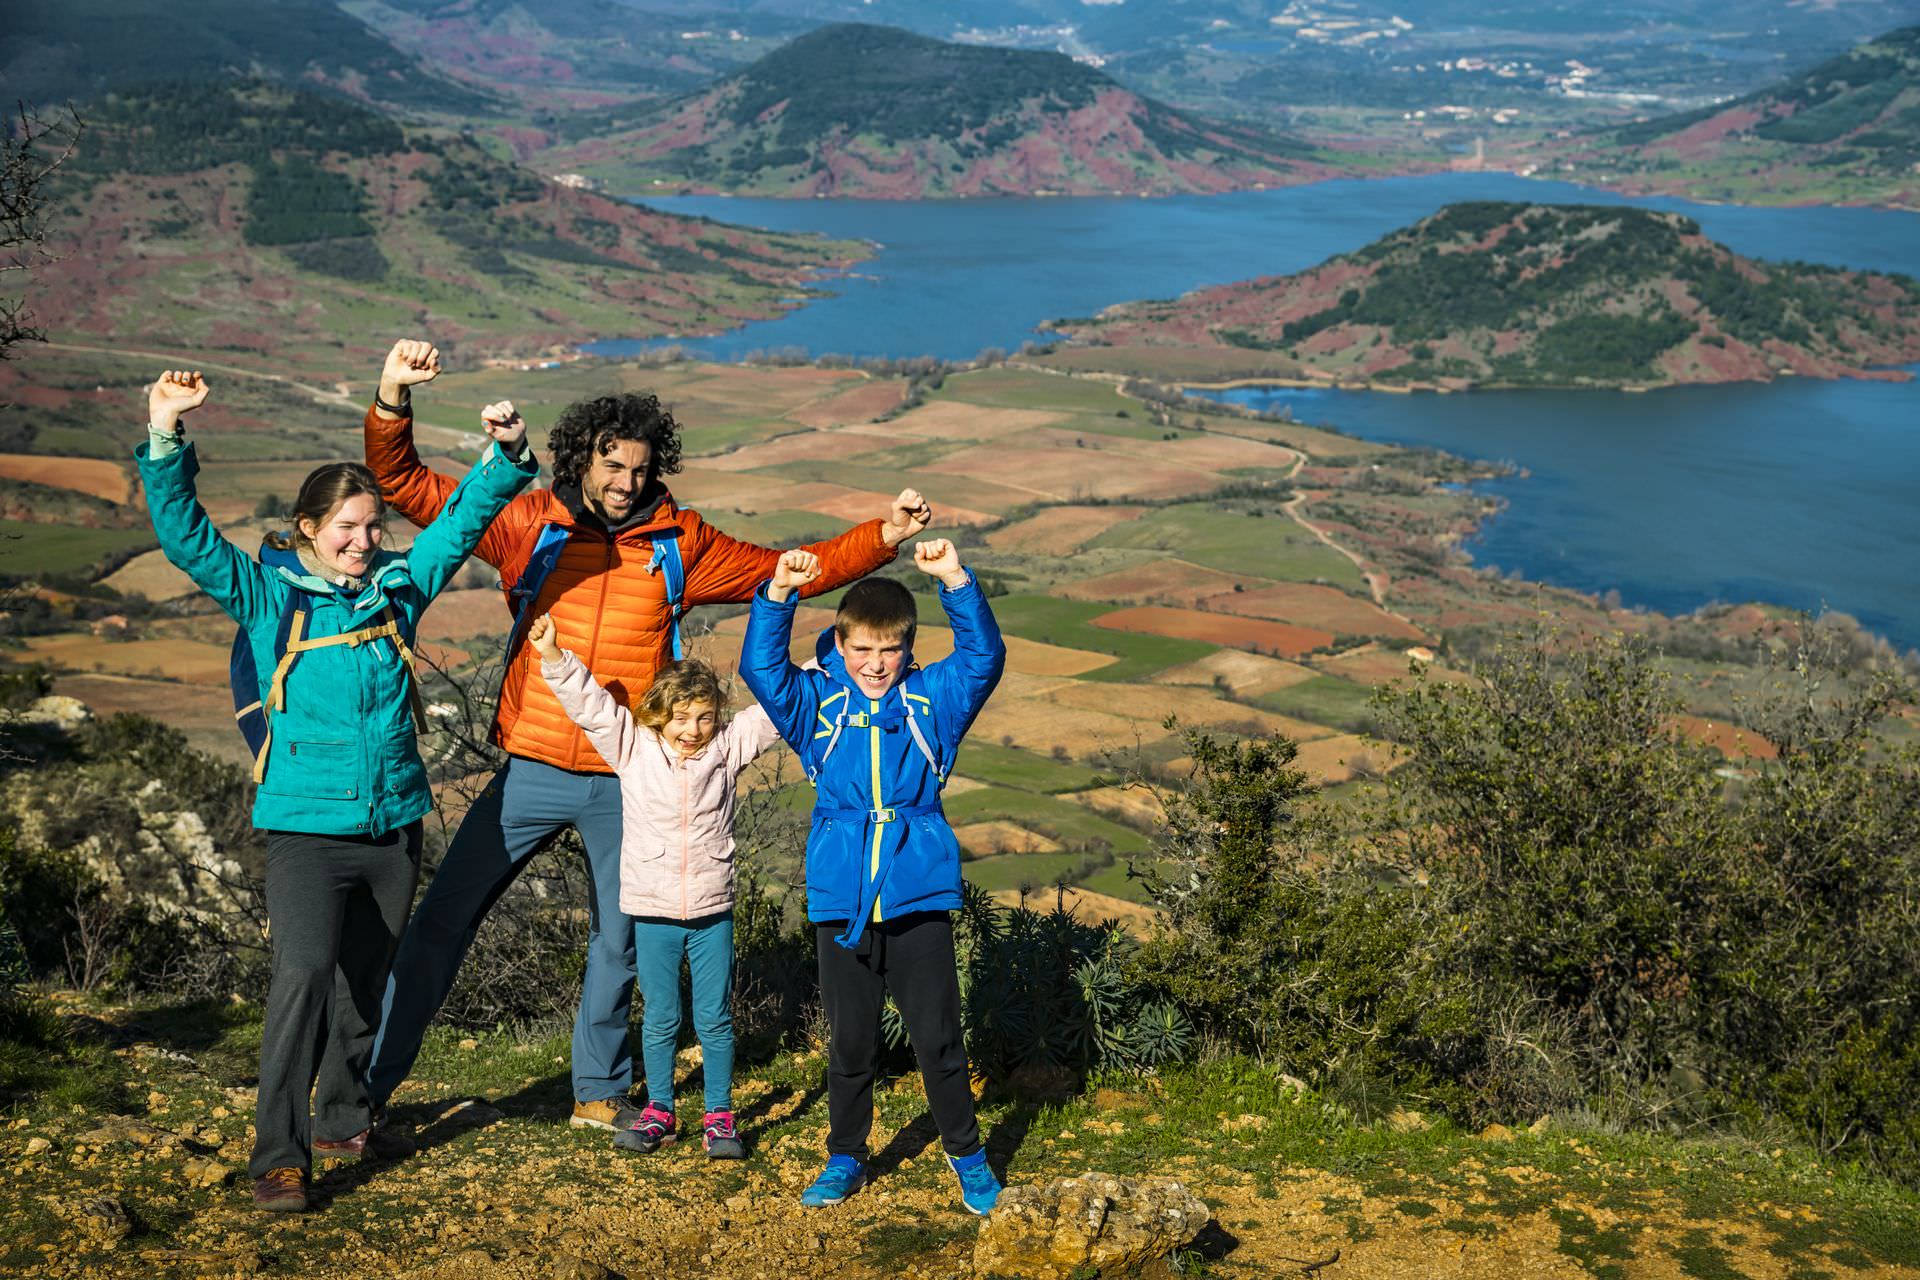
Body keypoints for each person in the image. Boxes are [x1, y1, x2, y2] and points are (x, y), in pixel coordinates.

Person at [362, 385, 929, 1128]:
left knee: (619, 939)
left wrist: (881, 537)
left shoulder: (678, 542)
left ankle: (598, 1091)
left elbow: (785, 570)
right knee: (442, 922)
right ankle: (362, 1090)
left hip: (627, 777)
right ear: (579, 459)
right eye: (611, 465)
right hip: (530, 764)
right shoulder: (527, 522)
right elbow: (405, 484)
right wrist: (392, 399)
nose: (626, 482)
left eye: (639, 467)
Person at [137, 344, 539, 1212]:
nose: (362, 542)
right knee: (304, 979)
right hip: (307, 833)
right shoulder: (267, 595)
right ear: (309, 530)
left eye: (372, 528)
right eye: (346, 528)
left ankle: (344, 1119)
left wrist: (503, 456)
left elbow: (462, 525)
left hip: (393, 826)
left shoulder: (397, 591)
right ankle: (280, 1155)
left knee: (365, 984)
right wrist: (165, 433)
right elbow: (185, 535)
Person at [738, 537, 1007, 1215]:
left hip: (918, 887)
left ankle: (968, 1158)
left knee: (938, 1039)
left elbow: (982, 659)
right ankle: (845, 1157)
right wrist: (778, 594)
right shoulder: (816, 702)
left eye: (889, 650)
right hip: (841, 890)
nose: (875, 664)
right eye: (861, 649)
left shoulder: (933, 699)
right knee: (850, 1041)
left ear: (908, 647)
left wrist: (954, 580)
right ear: (840, 641)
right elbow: (762, 668)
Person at [527, 617, 778, 1159]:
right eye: (681, 718)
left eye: (705, 717)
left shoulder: (727, 750)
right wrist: (552, 654)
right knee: (661, 1017)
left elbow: (774, 713)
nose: (693, 729)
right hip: (653, 910)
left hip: (712, 909)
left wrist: (822, 668)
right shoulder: (633, 749)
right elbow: (591, 705)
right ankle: (660, 1110)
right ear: (659, 715)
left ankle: (719, 1117)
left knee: (714, 1017)